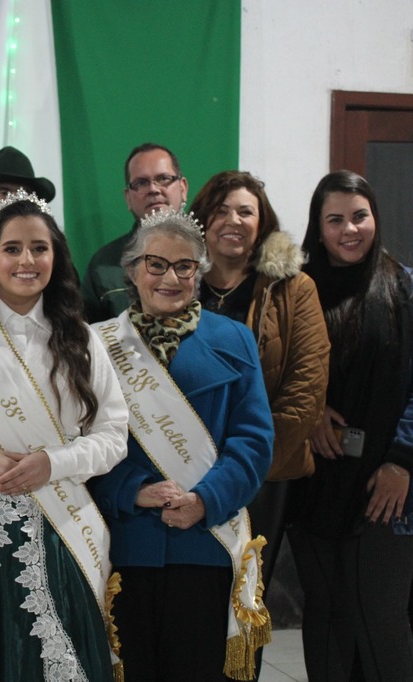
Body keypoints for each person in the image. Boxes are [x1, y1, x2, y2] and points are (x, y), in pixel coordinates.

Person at [0, 189, 128, 680]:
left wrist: (53, 463)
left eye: (40, 248)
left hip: (60, 520)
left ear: (57, 257)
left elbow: (113, 435)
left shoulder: (83, 338)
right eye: (12, 248)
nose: (26, 260)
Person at [91, 207, 274, 681]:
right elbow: (79, 439)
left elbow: (253, 441)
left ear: (200, 270)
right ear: (133, 271)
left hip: (204, 542)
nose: (170, 277)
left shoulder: (233, 339)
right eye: (156, 264)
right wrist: (129, 489)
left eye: (185, 265)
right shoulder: (94, 344)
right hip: (125, 543)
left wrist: (205, 501)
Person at [288, 170, 413, 682]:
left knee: (382, 623)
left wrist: (402, 461)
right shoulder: (294, 293)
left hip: (388, 485)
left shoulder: (405, 287)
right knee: (327, 620)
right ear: (318, 229)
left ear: (375, 219)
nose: (349, 230)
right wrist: (310, 409)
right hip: (313, 482)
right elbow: (275, 372)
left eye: (359, 216)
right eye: (335, 219)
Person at [190, 171, 329, 595]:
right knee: (193, 594)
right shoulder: (175, 284)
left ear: (261, 222)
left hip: (262, 473)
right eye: (221, 210)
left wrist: (245, 466)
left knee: (247, 598)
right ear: (202, 221)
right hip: (184, 466)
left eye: (245, 211)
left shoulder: (293, 288)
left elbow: (305, 390)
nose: (233, 220)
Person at [82, 143, 188, 323]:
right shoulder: (103, 265)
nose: (153, 189)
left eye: (163, 178)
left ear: (183, 188)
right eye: (141, 183)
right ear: (128, 198)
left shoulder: (207, 256)